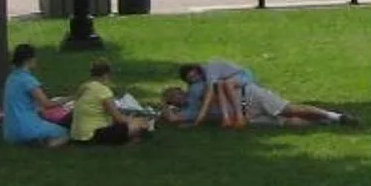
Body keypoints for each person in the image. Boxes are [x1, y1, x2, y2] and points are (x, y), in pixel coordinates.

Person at [161, 59, 344, 127]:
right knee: (285, 122)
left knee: (287, 109)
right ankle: (323, 124)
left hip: (248, 95)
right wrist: (166, 107)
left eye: (174, 95)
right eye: (172, 101)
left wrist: (198, 120)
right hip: (247, 115)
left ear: (180, 90)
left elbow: (213, 91)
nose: (176, 100)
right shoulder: (191, 109)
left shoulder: (197, 88)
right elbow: (174, 119)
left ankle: (334, 116)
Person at [67, 59, 154, 146]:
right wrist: (135, 120)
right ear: (106, 75)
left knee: (130, 123)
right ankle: (130, 141)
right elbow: (118, 118)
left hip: (76, 136)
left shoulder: (85, 86)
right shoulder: (104, 91)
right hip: (93, 135)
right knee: (139, 125)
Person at [0, 45, 69, 147]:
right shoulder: (28, 80)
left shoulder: (11, 78)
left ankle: (35, 141)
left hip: (9, 132)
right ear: (29, 60)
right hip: (25, 127)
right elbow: (47, 104)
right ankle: (47, 145)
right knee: (64, 132)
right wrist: (70, 98)